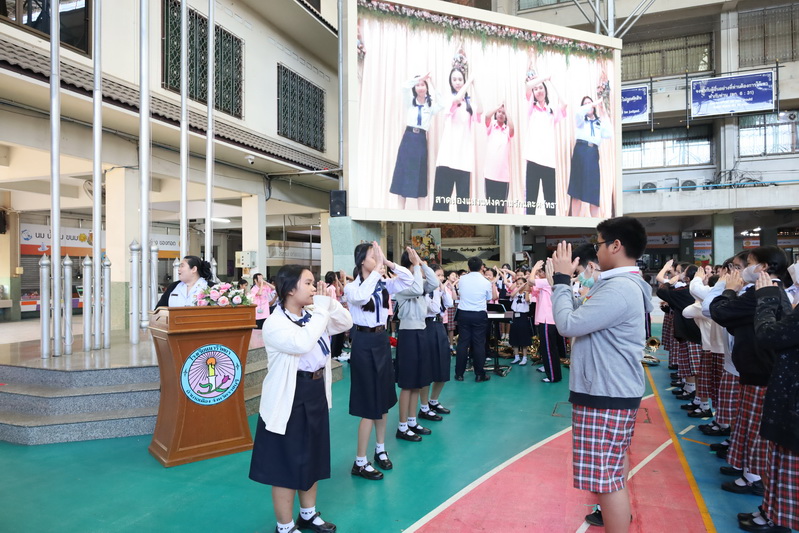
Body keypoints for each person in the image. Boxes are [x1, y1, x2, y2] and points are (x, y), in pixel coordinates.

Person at [549, 216, 652, 533]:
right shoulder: (617, 284)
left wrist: (561, 281)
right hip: (612, 390)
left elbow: (568, 324)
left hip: (606, 393)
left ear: (616, 245)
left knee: (606, 480)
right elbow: (583, 315)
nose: (596, 250)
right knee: (611, 472)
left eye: (599, 243)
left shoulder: (619, 288)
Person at [249, 265, 353, 533]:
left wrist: (328, 302)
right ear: (290, 289)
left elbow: (345, 323)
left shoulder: (312, 314)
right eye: (307, 283)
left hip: (314, 391)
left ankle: (308, 514)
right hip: (289, 396)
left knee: (312, 456)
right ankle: (284, 526)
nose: (313, 287)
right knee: (285, 463)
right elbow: (302, 343)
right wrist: (321, 311)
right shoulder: (275, 323)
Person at [709, 246, 792, 502]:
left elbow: (719, 312)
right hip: (756, 369)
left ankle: (753, 477)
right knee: (748, 424)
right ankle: (747, 470)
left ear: (762, 267)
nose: (741, 271)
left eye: (746, 265)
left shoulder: (763, 294)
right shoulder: (769, 292)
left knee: (754, 428)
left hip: (760, 371)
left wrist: (729, 291)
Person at [344, 242, 414, 480]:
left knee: (383, 399)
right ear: (362, 261)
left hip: (381, 340)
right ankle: (360, 461)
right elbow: (361, 297)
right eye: (373, 256)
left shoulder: (383, 283)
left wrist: (389, 263)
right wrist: (376, 272)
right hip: (363, 342)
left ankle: (380, 449)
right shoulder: (352, 288)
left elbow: (408, 280)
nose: (378, 260)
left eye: (378, 256)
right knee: (368, 404)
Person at [746, 269, 799, 533]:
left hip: (791, 398)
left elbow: (770, 336)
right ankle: (773, 512)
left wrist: (767, 299)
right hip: (789, 396)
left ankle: (779, 519)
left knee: (786, 463)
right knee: (780, 462)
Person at [393, 248, 438, 442]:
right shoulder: (401, 286)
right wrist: (417, 268)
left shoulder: (418, 281)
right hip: (408, 334)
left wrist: (422, 264)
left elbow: (434, 283)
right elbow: (418, 289)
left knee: (417, 382)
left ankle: (412, 421)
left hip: (421, 331)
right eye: (414, 266)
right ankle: (402, 426)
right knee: (407, 384)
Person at [432, 59, 481, 212]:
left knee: (463, 206)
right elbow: (457, 99)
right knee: (441, 203)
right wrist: (469, 81)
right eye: (455, 79)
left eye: (460, 79)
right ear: (450, 82)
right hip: (447, 158)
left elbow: (480, 110)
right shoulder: (448, 99)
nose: (458, 82)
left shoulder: (469, 104)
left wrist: (474, 86)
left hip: (463, 159)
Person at [389, 74, 444, 210]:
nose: (420, 87)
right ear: (414, 88)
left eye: (422, 84)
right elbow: (404, 87)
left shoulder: (430, 105)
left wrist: (433, 83)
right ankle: (400, 211)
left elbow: (442, 104)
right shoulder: (410, 101)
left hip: (420, 140)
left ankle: (421, 213)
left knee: (420, 173)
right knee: (403, 172)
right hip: (408, 138)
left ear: (427, 87)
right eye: (418, 85)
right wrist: (418, 79)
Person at [522, 69, 566, 216]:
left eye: (541, 88)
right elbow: (528, 86)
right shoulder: (531, 108)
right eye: (536, 89)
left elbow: (565, 103)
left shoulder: (552, 110)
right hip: (533, 160)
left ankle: (551, 225)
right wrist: (543, 78)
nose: (538, 91)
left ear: (546, 90)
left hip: (549, 162)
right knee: (531, 202)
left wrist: (551, 82)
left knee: (550, 203)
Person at [419, 263, 455, 421]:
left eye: (442, 275)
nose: (441, 278)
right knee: (427, 368)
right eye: (438, 275)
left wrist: (442, 290)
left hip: (440, 326)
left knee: (443, 364)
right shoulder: (424, 289)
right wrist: (435, 290)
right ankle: (424, 407)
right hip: (426, 326)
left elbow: (449, 303)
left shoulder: (440, 289)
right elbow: (432, 309)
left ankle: (433, 400)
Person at [567, 96, 612, 218]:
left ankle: (595, 222)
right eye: (585, 104)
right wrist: (593, 103)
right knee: (576, 189)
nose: (588, 105)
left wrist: (603, 112)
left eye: (589, 103)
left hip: (593, 153)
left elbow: (609, 133)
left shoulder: (599, 123)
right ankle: (574, 220)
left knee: (593, 189)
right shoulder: (580, 120)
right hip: (580, 151)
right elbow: (578, 112)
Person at [454, 256, 497, 382]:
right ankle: (479, 374)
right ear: (481, 267)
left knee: (463, 343)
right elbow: (489, 298)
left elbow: (460, 293)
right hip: (479, 314)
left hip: (463, 313)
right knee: (479, 344)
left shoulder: (462, 279)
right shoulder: (485, 281)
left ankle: (459, 374)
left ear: (468, 267)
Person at [529, 260, 566, 383]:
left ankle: (553, 376)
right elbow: (530, 285)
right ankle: (552, 372)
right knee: (549, 349)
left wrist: (534, 268)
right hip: (548, 319)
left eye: (541, 271)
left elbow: (530, 280)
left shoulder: (548, 281)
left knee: (549, 349)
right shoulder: (548, 282)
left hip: (547, 320)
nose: (539, 273)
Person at [483, 103, 515, 214]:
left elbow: (512, 127)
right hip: (489, 175)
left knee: (501, 209)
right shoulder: (491, 126)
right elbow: (487, 116)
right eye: (499, 112)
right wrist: (498, 107)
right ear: (496, 114)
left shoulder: (507, 130)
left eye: (503, 113)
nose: (501, 114)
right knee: (490, 208)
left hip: (503, 178)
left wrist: (506, 111)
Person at [508, 276, 534, 365]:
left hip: (523, 316)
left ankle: (524, 357)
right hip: (515, 315)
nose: (519, 285)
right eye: (517, 284)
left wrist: (526, 289)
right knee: (514, 336)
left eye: (521, 283)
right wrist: (518, 288)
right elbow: (511, 295)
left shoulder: (528, 293)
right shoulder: (515, 293)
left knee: (523, 336)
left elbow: (527, 300)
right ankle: (516, 356)